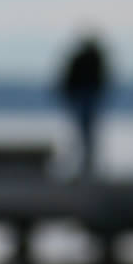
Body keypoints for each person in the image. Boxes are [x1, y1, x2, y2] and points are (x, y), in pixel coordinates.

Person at [57, 35, 110, 176]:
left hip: (83, 97)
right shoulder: (95, 59)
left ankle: (84, 166)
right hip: (86, 97)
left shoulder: (84, 59)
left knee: (82, 134)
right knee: (85, 134)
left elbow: (68, 79)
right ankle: (85, 165)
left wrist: (68, 93)